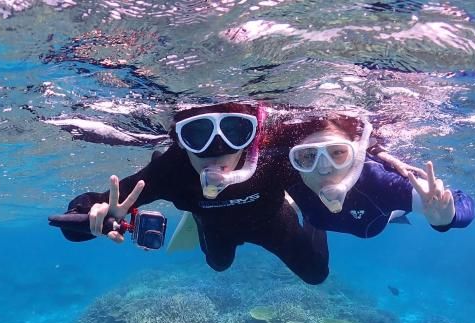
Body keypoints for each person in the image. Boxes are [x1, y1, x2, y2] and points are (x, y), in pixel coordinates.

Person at [49, 102, 330, 285]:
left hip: (273, 219)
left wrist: (319, 211)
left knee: (316, 273)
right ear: (181, 141)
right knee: (218, 265)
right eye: (197, 134)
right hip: (215, 226)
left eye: (235, 131)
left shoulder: (272, 156)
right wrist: (88, 217)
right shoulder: (171, 170)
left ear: (253, 135)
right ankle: (197, 217)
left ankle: (309, 216)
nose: (217, 149)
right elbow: (75, 221)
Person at [280, 112, 475, 238]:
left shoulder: (377, 181)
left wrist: (446, 219)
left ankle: (396, 212)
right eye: (307, 155)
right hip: (318, 219)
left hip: (380, 216)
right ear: (295, 158)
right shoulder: (288, 173)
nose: (323, 168)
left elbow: (460, 200)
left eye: (338, 152)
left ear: (357, 153)